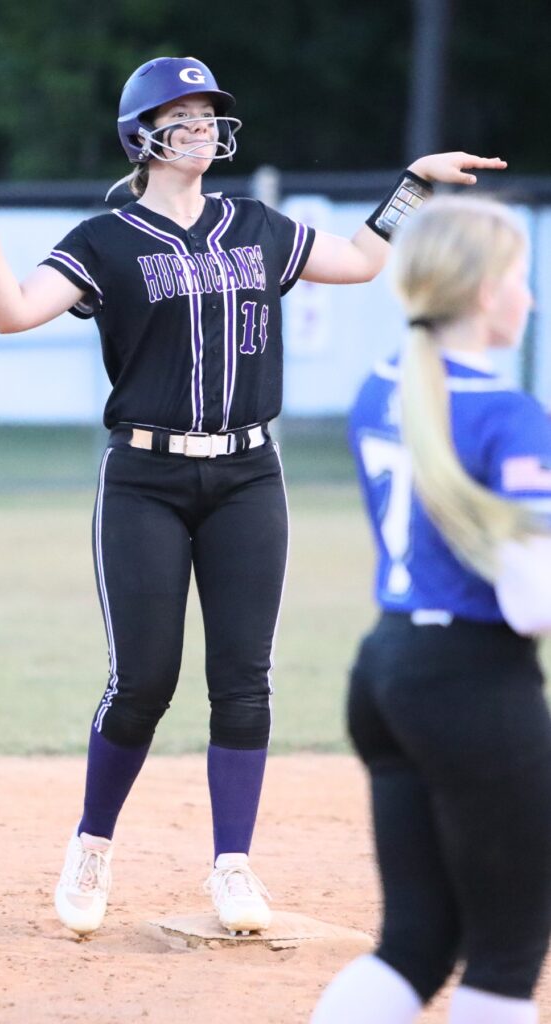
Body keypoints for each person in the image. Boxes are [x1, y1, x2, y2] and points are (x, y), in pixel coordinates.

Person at [0, 55, 506, 939]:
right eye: (181, 114)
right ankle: (92, 841)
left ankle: (232, 864)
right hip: (144, 477)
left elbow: (355, 263)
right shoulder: (105, 240)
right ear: (142, 136)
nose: (200, 126)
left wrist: (412, 187)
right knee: (143, 678)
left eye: (207, 113)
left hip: (246, 474)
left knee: (243, 680)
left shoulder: (256, 225)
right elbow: (12, 313)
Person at [311, 195, 551, 1023]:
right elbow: (530, 607)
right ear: (485, 292)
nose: (529, 295)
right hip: (472, 685)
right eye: (519, 278)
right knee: (506, 955)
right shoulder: (508, 415)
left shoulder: (380, 388)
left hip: (386, 670)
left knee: (413, 945)